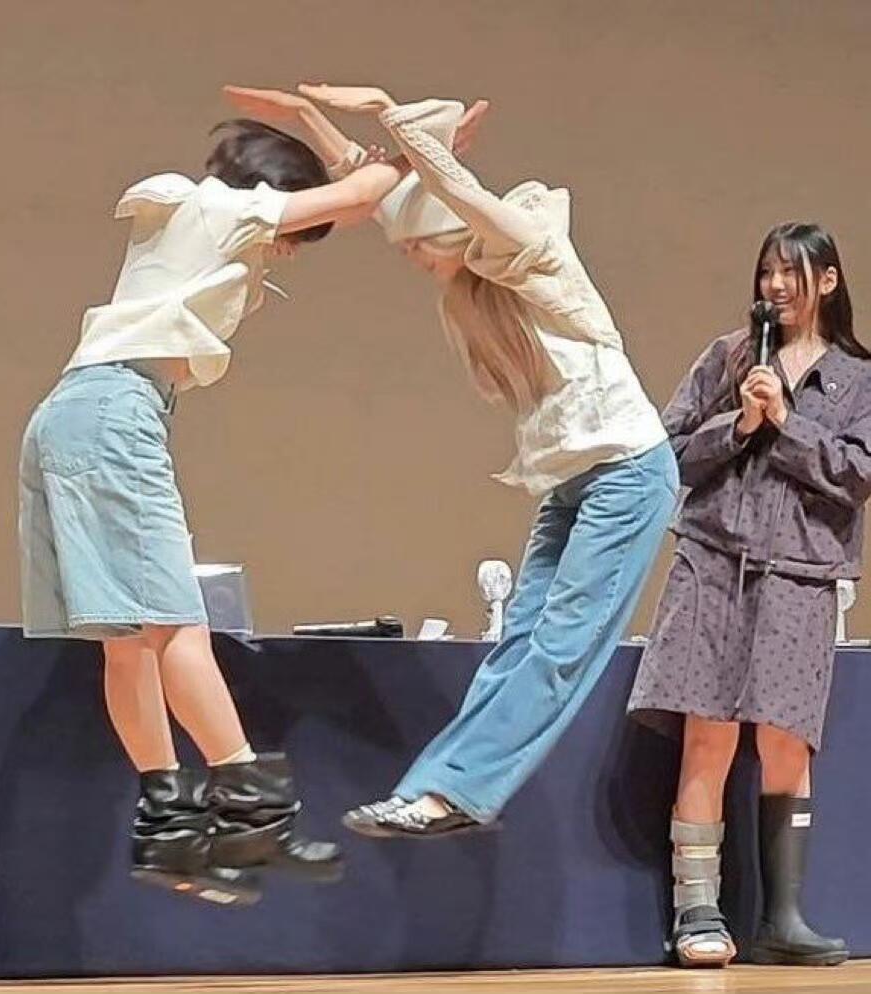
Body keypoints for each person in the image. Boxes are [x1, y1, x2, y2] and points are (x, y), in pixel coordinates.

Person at [18, 112, 406, 905]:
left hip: (70, 413)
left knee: (129, 642)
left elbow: (346, 203)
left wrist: (346, 171)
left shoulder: (193, 220)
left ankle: (171, 830)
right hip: (116, 412)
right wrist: (413, 146)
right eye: (296, 233)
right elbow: (361, 197)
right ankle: (255, 814)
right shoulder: (224, 207)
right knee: (175, 627)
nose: (289, 248)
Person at [276, 82, 677, 838]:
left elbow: (455, 194)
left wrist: (390, 112)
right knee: (517, 643)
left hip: (629, 474)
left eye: (419, 244)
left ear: (453, 234)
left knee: (559, 650)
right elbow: (391, 197)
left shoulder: (537, 257)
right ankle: (441, 794)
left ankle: (450, 794)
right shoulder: (474, 285)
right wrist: (309, 121)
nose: (410, 255)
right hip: (572, 486)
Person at [628, 223, 869, 967]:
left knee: (785, 740)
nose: (776, 285)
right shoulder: (727, 357)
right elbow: (665, 455)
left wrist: (788, 425)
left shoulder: (859, 379)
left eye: (791, 272)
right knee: (707, 732)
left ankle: (782, 918)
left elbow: (859, 475)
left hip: (801, 572)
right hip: (713, 563)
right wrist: (738, 425)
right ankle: (697, 910)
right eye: (767, 271)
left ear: (828, 280)